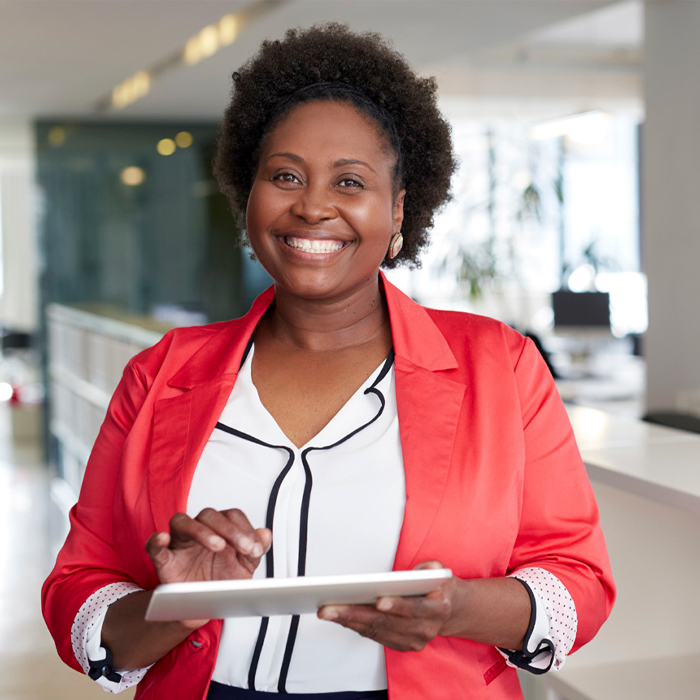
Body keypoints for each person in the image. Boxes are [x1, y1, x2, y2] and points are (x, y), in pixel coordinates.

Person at [42, 24, 615, 700]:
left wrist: (455, 608)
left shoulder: (500, 366)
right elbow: (78, 590)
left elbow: (578, 584)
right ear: (247, 196)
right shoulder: (161, 372)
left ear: (398, 209)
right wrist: (176, 605)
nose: (313, 205)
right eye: (285, 176)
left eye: (350, 181)